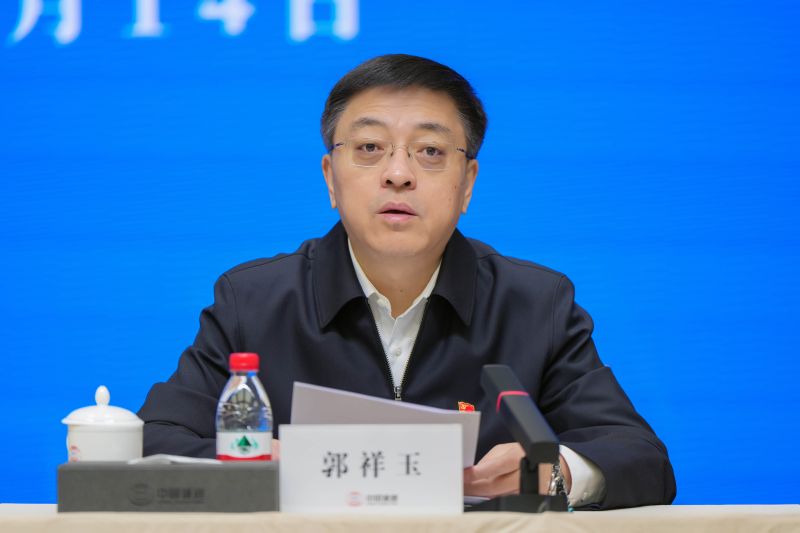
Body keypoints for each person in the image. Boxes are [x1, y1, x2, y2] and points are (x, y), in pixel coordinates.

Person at [138, 54, 677, 510]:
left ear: (468, 184)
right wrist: (259, 463)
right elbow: (153, 443)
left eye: (431, 152)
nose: (398, 173)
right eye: (370, 148)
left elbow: (642, 460)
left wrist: (549, 470)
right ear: (330, 178)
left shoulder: (536, 305)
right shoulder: (254, 302)